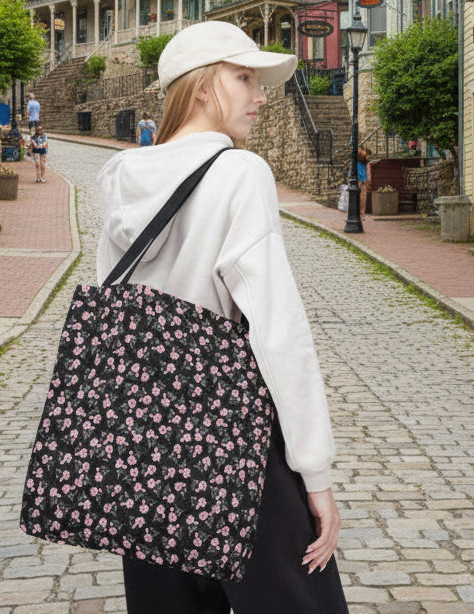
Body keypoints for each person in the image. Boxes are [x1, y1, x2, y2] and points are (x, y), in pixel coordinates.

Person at [96, 21, 348, 614]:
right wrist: (315, 474)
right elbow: (278, 330)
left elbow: (117, 309)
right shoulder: (240, 172)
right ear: (204, 85)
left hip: (146, 439)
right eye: (244, 78)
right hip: (232, 434)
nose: (260, 96)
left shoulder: (120, 177)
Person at [357, 146, 369, 216]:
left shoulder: (357, 161)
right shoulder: (364, 161)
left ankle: (358, 212)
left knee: (357, 195)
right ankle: (362, 213)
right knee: (363, 196)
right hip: (364, 177)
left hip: (358, 177)